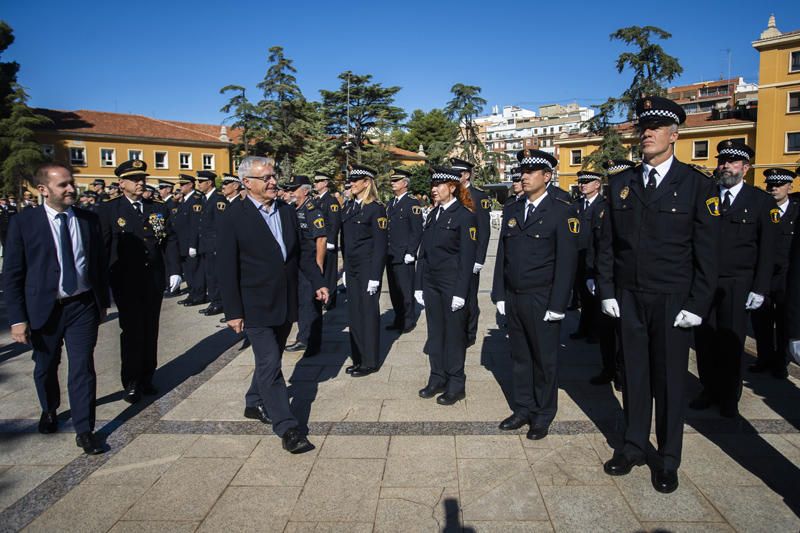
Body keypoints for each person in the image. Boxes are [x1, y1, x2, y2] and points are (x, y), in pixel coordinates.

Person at [597, 95, 720, 493]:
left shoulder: (697, 185)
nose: (646, 133)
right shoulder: (621, 184)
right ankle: (633, 445)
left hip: (672, 299)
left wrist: (697, 304)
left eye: (655, 127)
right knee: (633, 376)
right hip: (629, 297)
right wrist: (608, 290)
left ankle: (667, 457)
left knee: (669, 381)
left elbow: (707, 252)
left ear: (674, 135)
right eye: (642, 127)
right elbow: (608, 245)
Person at [217, 156, 328, 454]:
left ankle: (254, 402)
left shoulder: (286, 212)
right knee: (270, 363)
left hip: (285, 299)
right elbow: (226, 267)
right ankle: (287, 427)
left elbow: (303, 252)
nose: (272, 181)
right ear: (247, 183)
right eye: (264, 177)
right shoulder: (233, 216)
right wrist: (233, 312)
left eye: (272, 175)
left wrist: (318, 281)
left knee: (272, 357)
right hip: (254, 304)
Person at [3, 162, 110, 454]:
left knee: (82, 367)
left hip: (82, 306)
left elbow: (98, 265)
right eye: (63, 185)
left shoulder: (88, 220)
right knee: (46, 366)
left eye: (71, 182)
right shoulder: (24, 223)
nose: (71, 189)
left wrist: (102, 303)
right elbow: (12, 274)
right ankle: (49, 408)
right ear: (43, 189)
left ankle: (85, 428)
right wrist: (17, 319)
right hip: (43, 309)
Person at [492, 150, 578, 438]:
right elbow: (504, 254)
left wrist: (558, 304)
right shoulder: (513, 209)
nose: (524, 176)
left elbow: (567, 261)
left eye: (531, 172)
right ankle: (523, 407)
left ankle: (543, 413)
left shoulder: (561, 209)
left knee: (544, 359)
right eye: (522, 171)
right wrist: (499, 294)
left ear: (547, 176)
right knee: (519, 357)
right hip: (515, 295)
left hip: (543, 298)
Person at [692, 141, 777, 418]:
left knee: (730, 340)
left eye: (732, 161)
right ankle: (708, 389)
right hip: (704, 280)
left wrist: (761, 288)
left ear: (745, 167)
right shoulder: (705, 196)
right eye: (722, 161)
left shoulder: (760, 201)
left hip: (738, 283)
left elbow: (767, 250)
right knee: (704, 339)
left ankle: (729, 396)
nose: (725, 166)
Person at [96, 160, 181, 403]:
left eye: (142, 178)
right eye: (134, 179)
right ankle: (131, 380)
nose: (140, 182)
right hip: (125, 278)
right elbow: (103, 246)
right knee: (132, 329)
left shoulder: (157, 207)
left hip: (152, 277)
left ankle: (147, 376)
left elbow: (169, 239)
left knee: (150, 327)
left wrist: (174, 269)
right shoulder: (109, 209)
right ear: (121, 183)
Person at [415, 166, 476, 405]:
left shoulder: (465, 216)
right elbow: (424, 252)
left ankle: (455, 383)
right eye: (432, 185)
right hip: (432, 283)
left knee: (453, 335)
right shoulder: (433, 214)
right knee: (435, 333)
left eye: (438, 185)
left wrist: (461, 292)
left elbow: (467, 258)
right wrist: (419, 284)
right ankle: (437, 377)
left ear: (452, 187)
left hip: (452, 285)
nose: (433, 189)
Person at [585, 159, 636, 391]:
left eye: (620, 177)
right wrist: (591, 274)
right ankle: (608, 369)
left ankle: (625, 374)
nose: (616, 183)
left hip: (628, 279)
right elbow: (596, 245)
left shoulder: (636, 205)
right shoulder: (603, 208)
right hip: (605, 278)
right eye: (611, 179)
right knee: (606, 330)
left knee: (627, 333)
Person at [340, 164, 387, 377]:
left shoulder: (376, 208)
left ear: (367, 182)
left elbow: (380, 245)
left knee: (368, 315)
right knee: (355, 314)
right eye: (351, 180)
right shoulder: (349, 207)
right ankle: (358, 357)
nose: (352, 183)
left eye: (356, 180)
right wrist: (345, 271)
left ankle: (370, 361)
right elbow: (346, 242)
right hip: (352, 269)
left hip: (368, 270)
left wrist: (375, 277)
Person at [751, 168, 798, 378]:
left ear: (790, 186)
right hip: (764, 275)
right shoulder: (760, 208)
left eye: (779, 184)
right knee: (761, 321)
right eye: (771, 184)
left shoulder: (797, 212)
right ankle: (764, 358)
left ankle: (781, 362)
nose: (774, 188)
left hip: (787, 277)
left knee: (784, 321)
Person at [284, 176, 327, 357]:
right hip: (298, 264)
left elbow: (321, 239)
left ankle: (308, 340)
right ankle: (305, 337)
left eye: (294, 189)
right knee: (303, 302)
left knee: (309, 304)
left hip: (309, 263)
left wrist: (318, 265)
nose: (291, 193)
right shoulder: (295, 209)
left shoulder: (312, 210)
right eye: (290, 189)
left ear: (305, 191)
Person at [450, 158, 490, 347]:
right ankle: (457, 330)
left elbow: (484, 230)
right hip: (452, 256)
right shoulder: (451, 194)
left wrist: (479, 258)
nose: (454, 177)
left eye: (457, 174)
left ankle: (470, 332)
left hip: (471, 255)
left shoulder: (478, 196)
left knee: (470, 296)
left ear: (466, 175)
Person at [385, 168, 424, 333]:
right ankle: (398, 318)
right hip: (391, 253)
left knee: (405, 290)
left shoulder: (411, 203)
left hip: (404, 254)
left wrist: (411, 252)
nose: (392, 183)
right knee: (394, 290)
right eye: (392, 181)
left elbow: (417, 230)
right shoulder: (390, 203)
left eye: (396, 181)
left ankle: (408, 320)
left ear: (405, 183)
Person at [571, 171, 605, 343]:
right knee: (582, 294)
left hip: (595, 257)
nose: (582, 185)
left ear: (597, 184)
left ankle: (595, 332)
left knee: (595, 296)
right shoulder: (576, 204)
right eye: (580, 182)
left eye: (586, 182)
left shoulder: (603, 205)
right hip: (578, 256)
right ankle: (583, 328)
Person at [196, 171, 225, 316]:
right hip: (206, 244)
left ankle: (218, 303)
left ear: (209, 183)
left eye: (201, 182)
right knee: (210, 275)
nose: (198, 184)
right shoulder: (205, 199)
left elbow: (220, 226)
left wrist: (216, 246)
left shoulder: (217, 199)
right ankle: (214, 301)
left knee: (215, 275)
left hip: (214, 246)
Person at [173, 174, 204, 306]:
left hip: (191, 242)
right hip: (182, 242)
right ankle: (192, 293)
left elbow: (195, 224)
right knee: (188, 271)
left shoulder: (195, 200)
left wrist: (193, 245)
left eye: (183, 184)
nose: (180, 187)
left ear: (190, 185)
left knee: (195, 271)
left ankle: (198, 295)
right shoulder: (184, 200)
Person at [313, 172, 342, 310]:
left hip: (328, 243)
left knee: (330, 273)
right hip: (320, 242)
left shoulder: (331, 201)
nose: (315, 184)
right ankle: (324, 298)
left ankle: (330, 301)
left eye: (318, 182)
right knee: (322, 270)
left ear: (325, 183)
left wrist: (331, 240)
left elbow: (334, 222)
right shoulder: (318, 200)